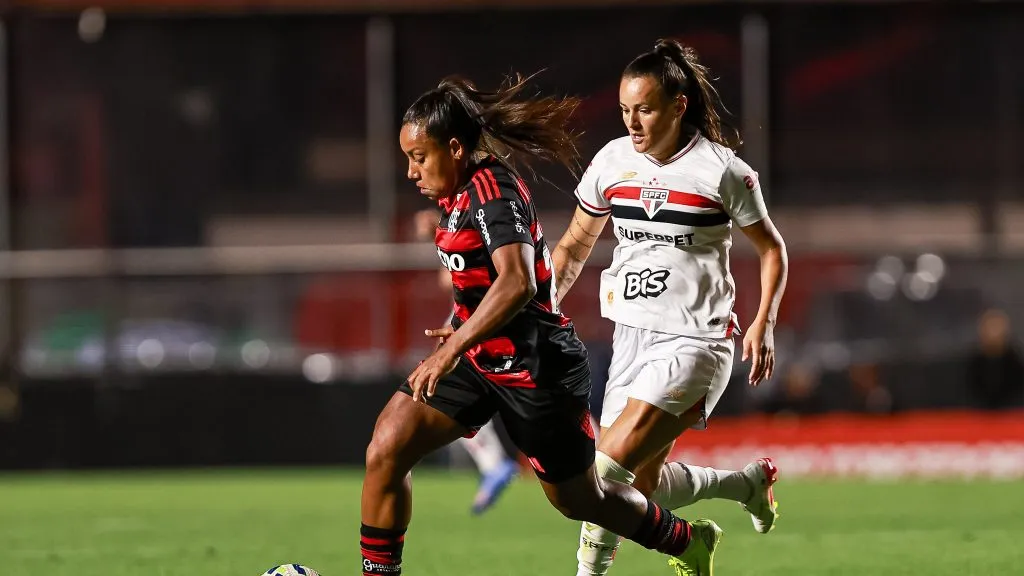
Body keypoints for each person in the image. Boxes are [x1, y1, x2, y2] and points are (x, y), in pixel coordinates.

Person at [360, 73, 723, 576]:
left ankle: (688, 540)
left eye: (419, 157)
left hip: (538, 368)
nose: (410, 171)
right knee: (386, 447)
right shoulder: (456, 194)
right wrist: (463, 331)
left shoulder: (494, 192)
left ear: (455, 149)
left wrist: (450, 349)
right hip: (482, 358)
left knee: (581, 500)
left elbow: (518, 282)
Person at [550, 39, 790, 576]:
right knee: (641, 488)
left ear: (679, 106)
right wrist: (541, 307)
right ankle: (745, 485)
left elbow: (772, 249)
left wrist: (764, 321)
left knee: (602, 473)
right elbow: (573, 246)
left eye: (645, 109)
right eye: (624, 110)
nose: (632, 123)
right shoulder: (612, 160)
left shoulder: (722, 171)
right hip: (631, 339)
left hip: (697, 342)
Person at [413, 207, 519, 515]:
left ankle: (494, 464)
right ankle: (493, 464)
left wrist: (437, 234)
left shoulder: (483, 207)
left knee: (437, 392)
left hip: (482, 317)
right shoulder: (465, 215)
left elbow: (455, 277)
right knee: (439, 390)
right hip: (480, 317)